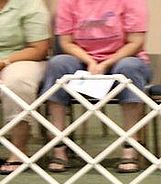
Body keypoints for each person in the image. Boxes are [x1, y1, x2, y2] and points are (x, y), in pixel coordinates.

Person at [41, 0, 151, 173]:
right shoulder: (68, 2)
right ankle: (59, 145)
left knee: (129, 67)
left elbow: (135, 41)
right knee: (58, 64)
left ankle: (130, 146)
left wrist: (106, 63)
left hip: (122, 58)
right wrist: (91, 62)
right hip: (83, 59)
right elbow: (66, 42)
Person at [0, 0, 50, 175]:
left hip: (24, 59)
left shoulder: (29, 4)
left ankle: (18, 150)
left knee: (17, 81)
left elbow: (39, 48)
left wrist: (5, 62)